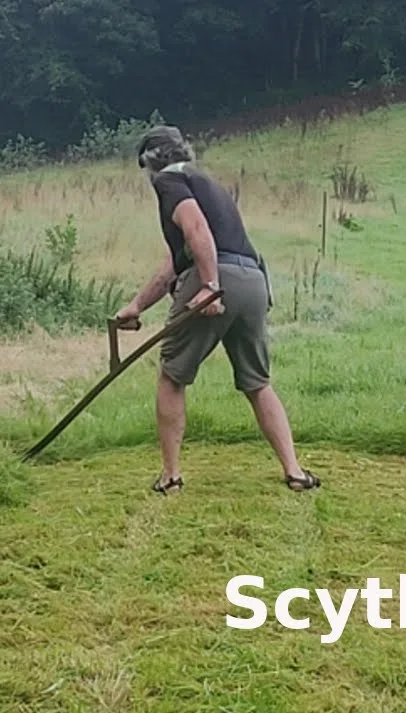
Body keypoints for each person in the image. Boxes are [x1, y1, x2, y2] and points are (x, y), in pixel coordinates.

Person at [115, 125, 320, 494]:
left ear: (150, 162)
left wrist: (210, 285)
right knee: (258, 382)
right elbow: (175, 260)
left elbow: (197, 231)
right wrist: (136, 305)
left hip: (216, 278)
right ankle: (295, 471)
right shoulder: (207, 183)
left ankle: (171, 476)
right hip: (252, 280)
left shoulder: (168, 182)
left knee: (172, 376)